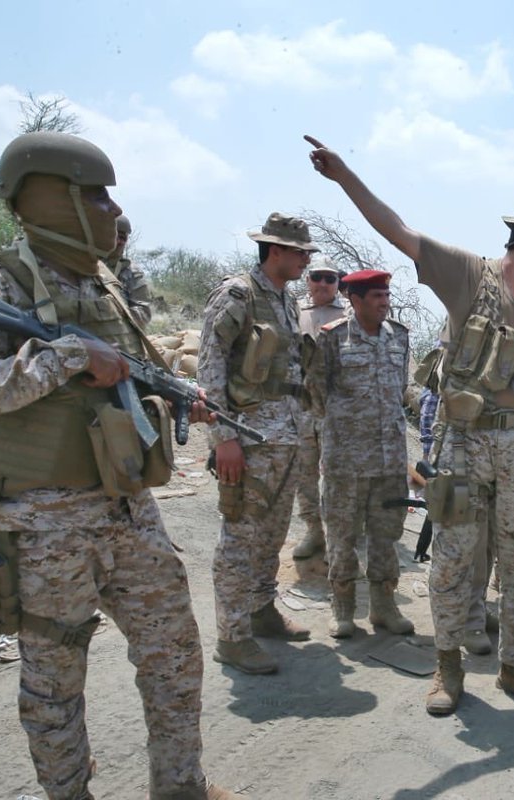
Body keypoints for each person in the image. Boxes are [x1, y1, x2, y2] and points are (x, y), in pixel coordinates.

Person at [0, 131, 239, 800]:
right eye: (97, 194)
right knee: (54, 682)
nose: (111, 211)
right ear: (54, 196)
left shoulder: (106, 285)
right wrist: (66, 356)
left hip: (126, 506)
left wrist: (176, 392)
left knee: (175, 654)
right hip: (41, 523)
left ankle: (181, 786)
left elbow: (128, 373)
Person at [306, 134, 514, 715]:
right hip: (464, 443)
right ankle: (448, 667)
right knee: (455, 554)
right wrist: (345, 176)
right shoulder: (467, 275)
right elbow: (397, 229)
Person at [199, 212, 315, 676]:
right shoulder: (238, 294)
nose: (306, 259)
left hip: (284, 436)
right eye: (300, 252)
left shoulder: (286, 300)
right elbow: (209, 367)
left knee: (271, 532)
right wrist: (223, 436)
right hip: (247, 438)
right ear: (276, 251)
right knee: (240, 537)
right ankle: (232, 636)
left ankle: (260, 609)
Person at [307, 269, 416, 638]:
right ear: (355, 300)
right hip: (347, 462)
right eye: (376, 297)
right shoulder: (334, 338)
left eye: (387, 296)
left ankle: (384, 608)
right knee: (343, 535)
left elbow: (402, 389)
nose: (385, 302)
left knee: (386, 535)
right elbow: (317, 393)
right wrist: (346, 429)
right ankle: (344, 609)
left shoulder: (400, 336)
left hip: (390, 460)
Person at [291, 258, 348, 560]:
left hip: (334, 409)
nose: (323, 284)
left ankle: (336, 538)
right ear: (308, 279)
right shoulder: (294, 310)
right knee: (304, 472)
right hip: (301, 406)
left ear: (339, 282)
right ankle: (313, 530)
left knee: (335, 476)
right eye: (318, 277)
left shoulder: (349, 313)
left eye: (330, 278)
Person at [104, 213, 153, 329]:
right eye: (116, 236)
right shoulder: (86, 265)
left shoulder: (132, 273)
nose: (120, 242)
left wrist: (112, 312)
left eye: (123, 238)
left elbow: (144, 313)